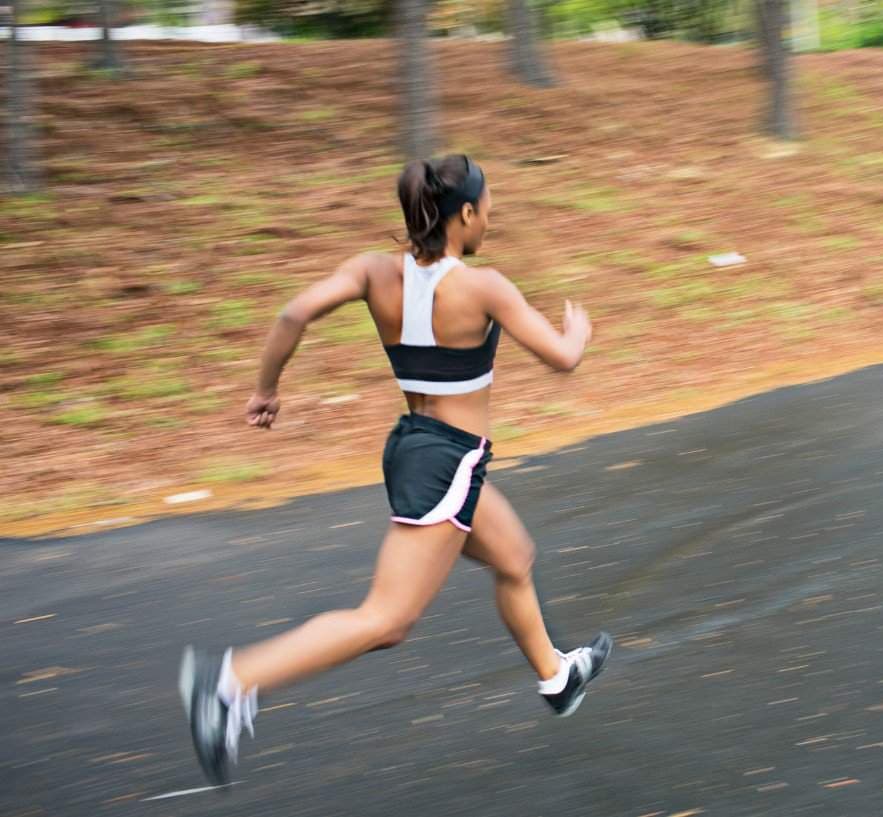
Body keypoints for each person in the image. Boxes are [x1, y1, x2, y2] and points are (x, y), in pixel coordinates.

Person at [178, 154, 613, 786]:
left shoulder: (372, 272)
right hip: (449, 462)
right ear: (464, 214)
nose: (490, 217)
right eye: (487, 207)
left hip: (413, 445)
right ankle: (227, 687)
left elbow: (293, 314)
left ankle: (557, 677)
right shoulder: (484, 285)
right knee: (386, 620)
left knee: (514, 556)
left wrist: (266, 390)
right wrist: (579, 331)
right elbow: (563, 359)